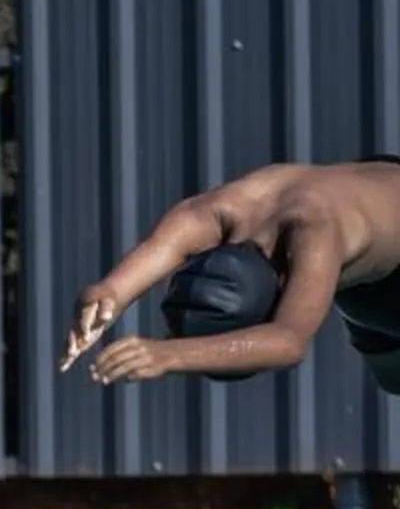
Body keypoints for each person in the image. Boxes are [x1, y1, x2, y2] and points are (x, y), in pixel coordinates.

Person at [60, 159, 400, 390]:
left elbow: (288, 341)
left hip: (380, 244)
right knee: (391, 375)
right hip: (376, 225)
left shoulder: (314, 230)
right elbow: (124, 279)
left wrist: (169, 355)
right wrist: (107, 295)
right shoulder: (218, 211)